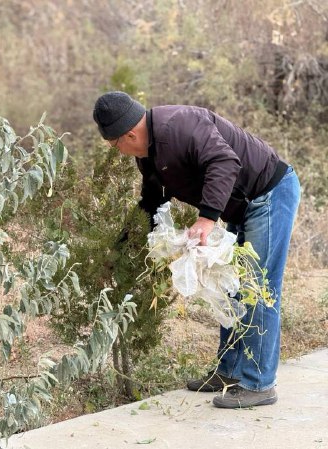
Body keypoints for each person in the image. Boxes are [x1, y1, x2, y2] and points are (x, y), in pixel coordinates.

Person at [93, 91, 300, 408]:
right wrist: (122, 250)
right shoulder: (147, 154)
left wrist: (206, 219)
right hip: (243, 208)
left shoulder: (181, 125)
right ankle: (230, 373)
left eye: (115, 145)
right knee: (231, 288)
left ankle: (259, 385)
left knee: (256, 288)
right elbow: (151, 202)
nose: (118, 152)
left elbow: (224, 161)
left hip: (268, 195)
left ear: (129, 134)